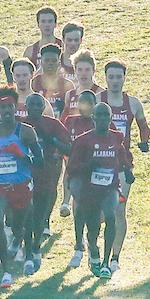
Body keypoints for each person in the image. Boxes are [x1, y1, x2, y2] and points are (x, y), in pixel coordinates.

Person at [0, 86, 43, 289]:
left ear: (16, 108)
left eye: (10, 107)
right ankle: (6, 270)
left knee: (20, 225)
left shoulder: (26, 132)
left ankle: (29, 254)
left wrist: (22, 155)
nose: (6, 111)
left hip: (21, 185)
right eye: (3, 107)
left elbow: (39, 161)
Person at [68, 103, 131, 278]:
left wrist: (127, 170)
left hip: (110, 188)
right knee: (93, 229)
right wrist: (87, 166)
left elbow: (122, 157)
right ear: (94, 118)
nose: (103, 119)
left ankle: (106, 263)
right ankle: (93, 251)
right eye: (99, 115)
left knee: (111, 216)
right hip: (90, 190)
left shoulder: (117, 137)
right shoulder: (83, 140)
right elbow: (72, 168)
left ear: (111, 118)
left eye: (106, 115)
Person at [99, 60, 149, 272]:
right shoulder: (97, 100)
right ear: (106, 78)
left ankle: (115, 258)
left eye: (119, 77)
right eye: (111, 77)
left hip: (123, 164)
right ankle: (94, 250)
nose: (115, 81)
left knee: (119, 210)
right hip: (99, 162)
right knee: (100, 211)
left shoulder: (133, 103)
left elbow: (143, 126)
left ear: (124, 78)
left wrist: (144, 141)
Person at [22, 93, 70, 270]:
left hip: (47, 173)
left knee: (40, 216)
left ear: (44, 108)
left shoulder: (53, 124)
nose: (35, 108)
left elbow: (69, 148)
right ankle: (29, 251)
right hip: (25, 174)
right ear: (25, 107)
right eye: (31, 105)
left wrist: (52, 140)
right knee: (27, 213)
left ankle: (35, 245)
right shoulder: (21, 125)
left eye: (38, 105)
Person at [62, 90, 99, 265]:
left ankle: (93, 244)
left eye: (89, 103)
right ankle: (78, 243)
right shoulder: (71, 121)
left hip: (96, 172)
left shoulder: (100, 122)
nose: (84, 107)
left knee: (94, 211)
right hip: (77, 171)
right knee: (78, 206)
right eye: (81, 103)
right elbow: (62, 140)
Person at [62, 49, 104, 117]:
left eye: (87, 70)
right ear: (75, 71)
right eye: (80, 70)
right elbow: (64, 120)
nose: (83, 73)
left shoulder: (101, 93)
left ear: (93, 71)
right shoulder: (70, 94)